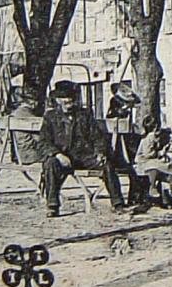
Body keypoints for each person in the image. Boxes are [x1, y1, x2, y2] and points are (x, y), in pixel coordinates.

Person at [38, 80, 129, 217]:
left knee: (107, 165)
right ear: (57, 100)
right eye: (64, 98)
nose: (68, 101)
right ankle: (52, 205)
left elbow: (97, 136)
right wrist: (57, 154)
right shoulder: (50, 117)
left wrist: (100, 152)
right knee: (50, 164)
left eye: (70, 98)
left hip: (83, 156)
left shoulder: (85, 114)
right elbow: (44, 141)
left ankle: (118, 204)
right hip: (62, 156)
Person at [133, 115, 172, 208]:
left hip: (153, 159)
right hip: (144, 161)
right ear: (154, 127)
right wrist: (160, 153)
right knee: (155, 166)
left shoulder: (154, 137)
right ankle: (153, 187)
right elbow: (148, 154)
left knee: (169, 163)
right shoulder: (149, 138)